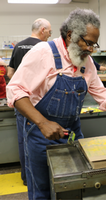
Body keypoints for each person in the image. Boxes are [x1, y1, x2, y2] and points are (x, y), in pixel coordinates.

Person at [6, 9, 106, 200]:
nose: (91, 49)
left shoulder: (86, 62)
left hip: (72, 134)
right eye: (88, 43)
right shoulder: (43, 52)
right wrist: (42, 123)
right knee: (42, 190)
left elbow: (102, 94)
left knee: (73, 188)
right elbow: (15, 90)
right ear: (70, 35)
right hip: (41, 135)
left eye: (94, 44)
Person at [7, 18, 52, 186]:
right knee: (44, 139)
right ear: (42, 30)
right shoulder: (46, 48)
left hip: (21, 103)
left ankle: (27, 177)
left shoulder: (18, 46)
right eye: (49, 31)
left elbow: (11, 74)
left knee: (23, 139)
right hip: (42, 103)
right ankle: (44, 179)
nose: (49, 34)